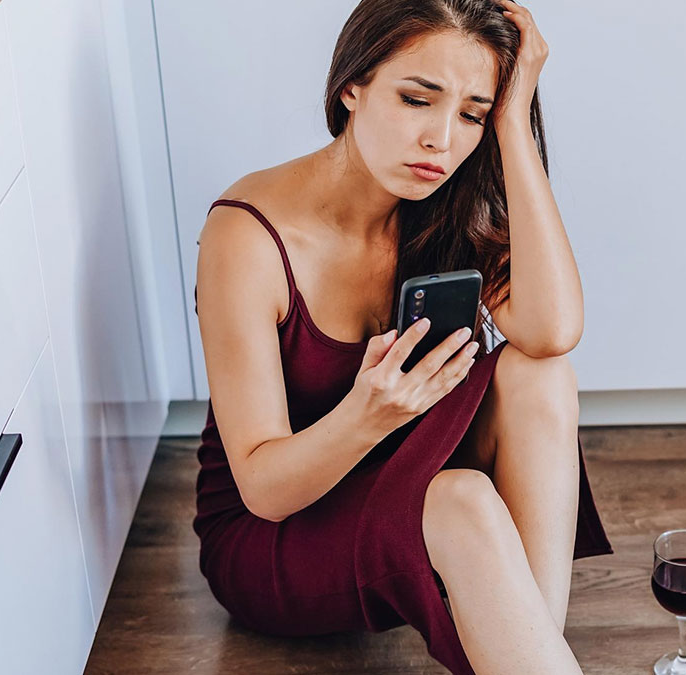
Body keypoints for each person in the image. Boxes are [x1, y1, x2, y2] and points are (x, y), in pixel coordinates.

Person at [191, 1, 613, 672]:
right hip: (274, 530)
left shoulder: (446, 202)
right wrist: (368, 415)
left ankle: (529, 649)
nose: (442, 141)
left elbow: (553, 330)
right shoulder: (247, 238)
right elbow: (263, 489)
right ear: (351, 86)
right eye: (418, 99)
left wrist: (513, 122)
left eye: (471, 113)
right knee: (461, 498)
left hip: (394, 472)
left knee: (540, 374)